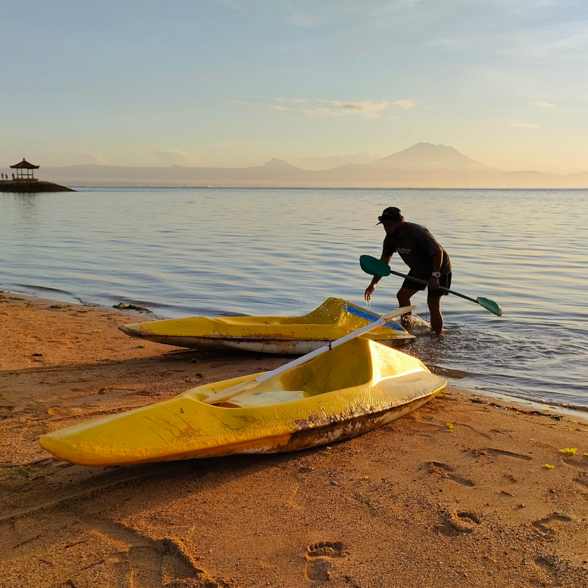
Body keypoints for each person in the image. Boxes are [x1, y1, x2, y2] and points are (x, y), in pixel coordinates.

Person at [364, 206, 452, 334]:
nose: (386, 228)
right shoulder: (389, 239)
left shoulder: (417, 232)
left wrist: (435, 275)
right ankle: (407, 331)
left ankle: (437, 338)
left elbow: (438, 252)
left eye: (389, 224)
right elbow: (383, 261)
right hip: (419, 270)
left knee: (432, 303)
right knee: (402, 296)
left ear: (400, 221)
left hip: (439, 268)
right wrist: (374, 283)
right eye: (383, 224)